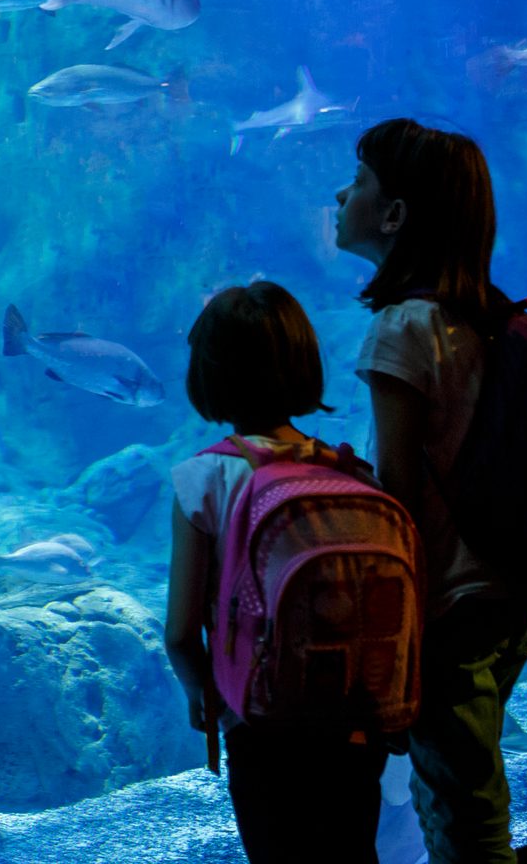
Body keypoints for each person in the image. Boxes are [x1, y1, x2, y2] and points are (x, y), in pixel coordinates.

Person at [334, 117, 527, 864]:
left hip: (446, 605)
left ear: (393, 216)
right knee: (456, 785)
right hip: (508, 590)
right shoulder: (485, 316)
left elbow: (400, 500)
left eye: (356, 181)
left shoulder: (402, 330)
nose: (339, 192)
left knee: (467, 815)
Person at [164, 280, 391, 863]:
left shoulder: (203, 480)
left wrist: (202, 695)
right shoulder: (351, 472)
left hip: (261, 727)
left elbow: (181, 632)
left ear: (206, 377)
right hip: (354, 722)